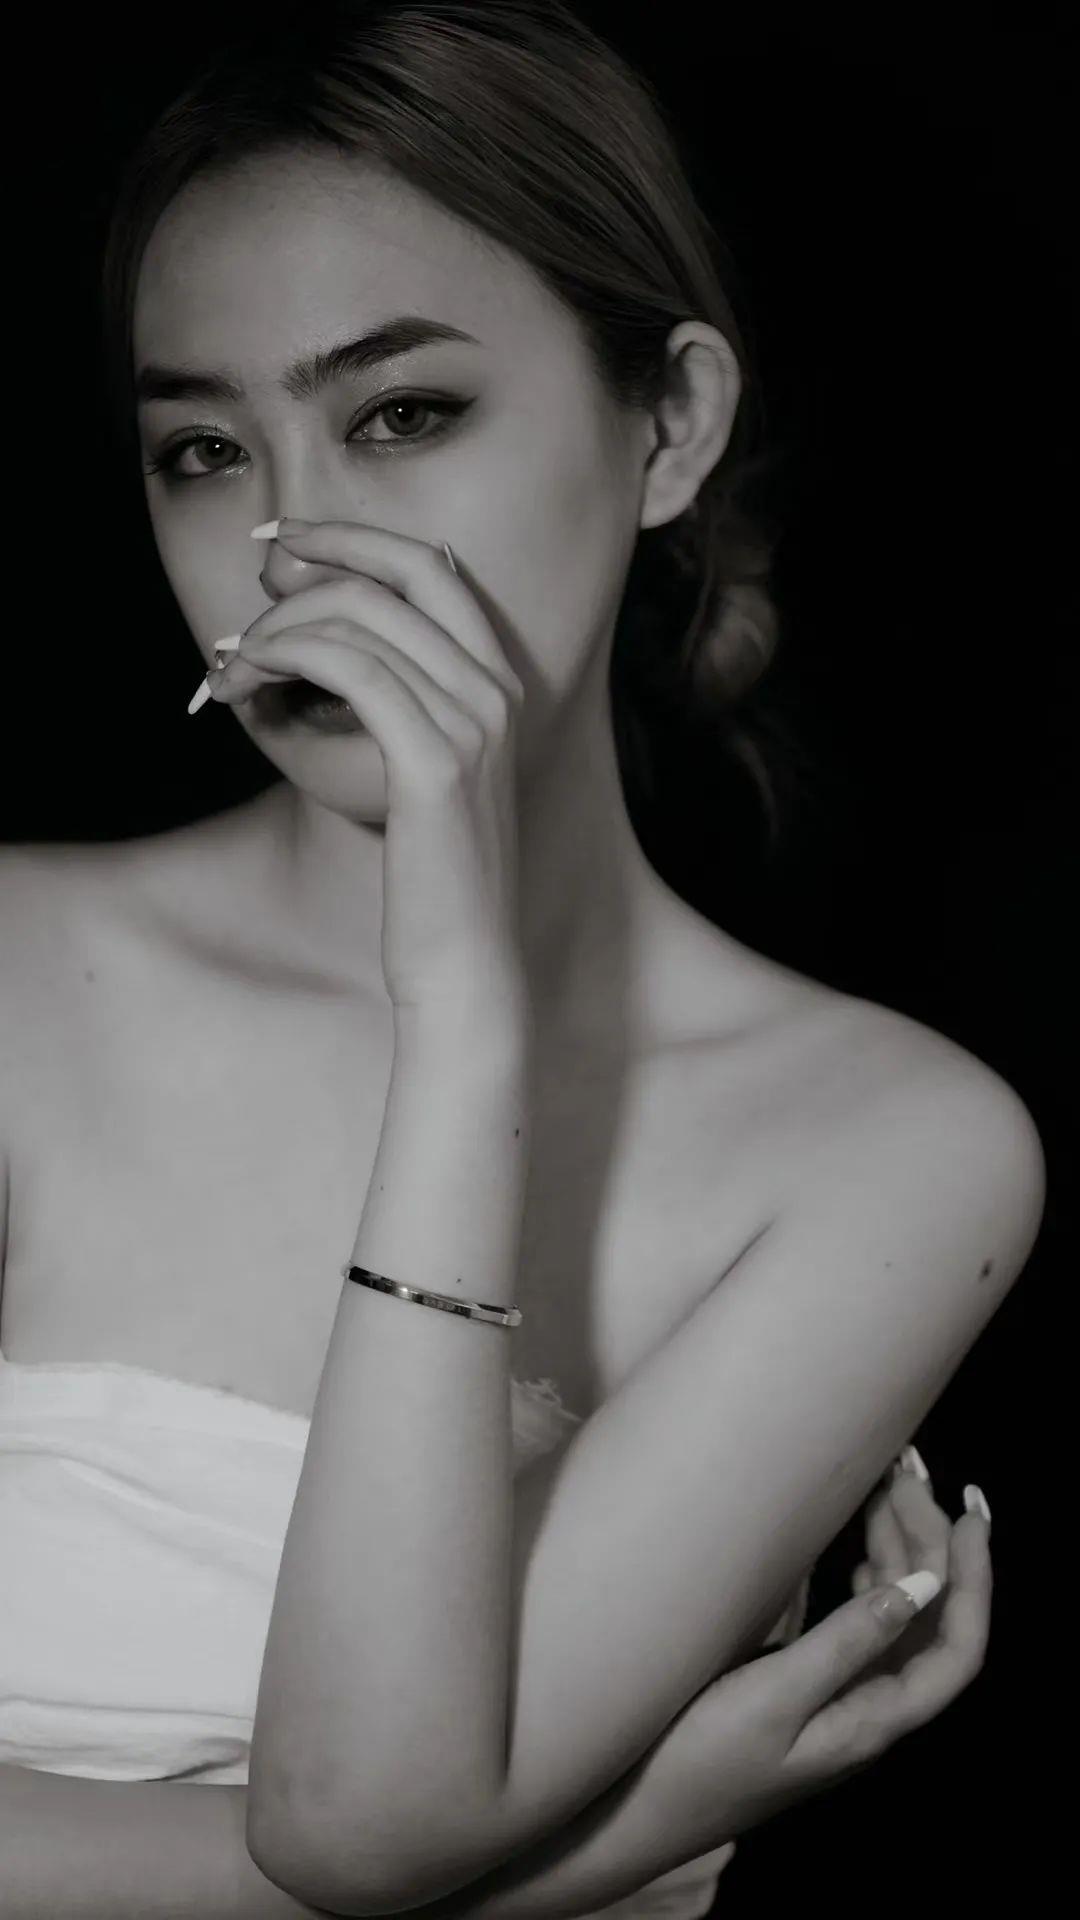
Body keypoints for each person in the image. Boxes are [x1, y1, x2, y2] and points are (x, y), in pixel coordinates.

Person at [0, 4, 1038, 1916]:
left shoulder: (891, 1149)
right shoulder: (15, 971)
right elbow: (367, 1866)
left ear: (672, 426)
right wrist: (590, 1858)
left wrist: (459, 1017)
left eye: (401, 415)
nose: (293, 552)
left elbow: (359, 1817)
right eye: (203, 450)